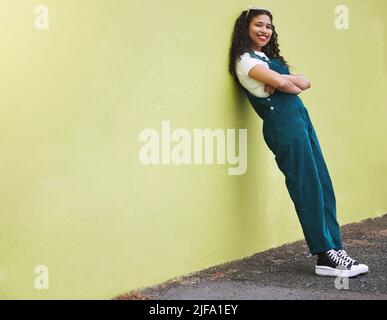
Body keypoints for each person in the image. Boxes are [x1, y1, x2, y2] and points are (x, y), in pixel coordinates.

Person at [228, 7, 369, 277]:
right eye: (258, 25)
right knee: (306, 187)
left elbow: (303, 83)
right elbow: (292, 85)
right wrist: (286, 83)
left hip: (300, 121)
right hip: (284, 127)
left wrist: (284, 82)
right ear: (245, 28)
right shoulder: (245, 61)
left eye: (268, 26)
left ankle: (335, 249)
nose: (264, 30)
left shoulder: (263, 58)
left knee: (322, 184)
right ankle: (324, 254)